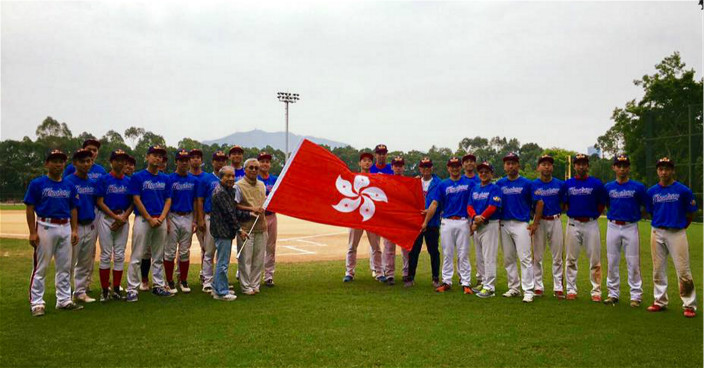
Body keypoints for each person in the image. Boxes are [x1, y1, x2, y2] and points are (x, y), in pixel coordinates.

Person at [24, 149, 82, 316]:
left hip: (65, 227)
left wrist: (75, 229)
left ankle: (63, 300)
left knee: (64, 266)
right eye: (54, 160)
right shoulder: (37, 183)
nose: (58, 164)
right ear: (47, 163)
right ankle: (37, 303)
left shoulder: (69, 185)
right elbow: (30, 207)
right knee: (41, 267)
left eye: (61, 161)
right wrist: (32, 232)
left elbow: (73, 209)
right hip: (45, 225)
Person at [646, 157, 698, 318]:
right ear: (657, 171)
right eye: (661, 168)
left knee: (683, 270)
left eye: (667, 168)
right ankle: (660, 301)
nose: (664, 171)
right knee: (658, 269)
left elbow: (690, 213)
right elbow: (651, 211)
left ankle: (689, 304)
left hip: (676, 232)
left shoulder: (683, 190)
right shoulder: (652, 191)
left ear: (673, 170)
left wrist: (680, 227)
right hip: (657, 231)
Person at [125, 145, 173, 302]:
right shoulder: (138, 177)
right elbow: (136, 199)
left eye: (160, 156)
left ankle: (158, 286)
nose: (157, 158)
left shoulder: (165, 178)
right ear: (147, 157)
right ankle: (132, 288)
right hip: (143, 220)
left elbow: (168, 200)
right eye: (154, 155)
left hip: (160, 219)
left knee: (158, 256)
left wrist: (162, 217)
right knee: (137, 255)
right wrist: (149, 218)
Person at [421, 157, 473, 294]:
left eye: (457, 166)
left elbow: (473, 203)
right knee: (447, 253)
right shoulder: (443, 184)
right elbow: (434, 203)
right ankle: (447, 281)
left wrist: (473, 221)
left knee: (463, 253)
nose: (454, 168)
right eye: (452, 166)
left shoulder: (468, 184)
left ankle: (466, 282)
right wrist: (426, 221)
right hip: (447, 221)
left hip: (463, 220)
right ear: (448, 168)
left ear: (460, 167)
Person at [603, 154, 647, 307]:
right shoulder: (608, 187)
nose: (622, 169)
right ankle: (612, 293)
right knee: (612, 260)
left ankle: (635, 295)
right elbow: (608, 204)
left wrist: (635, 216)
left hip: (630, 226)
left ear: (628, 168)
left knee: (633, 261)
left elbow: (645, 206)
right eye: (619, 165)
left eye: (625, 166)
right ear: (614, 167)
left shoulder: (638, 187)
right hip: (613, 225)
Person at [564, 153, 607, 302]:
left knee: (595, 260)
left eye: (584, 163)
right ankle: (571, 289)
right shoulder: (568, 184)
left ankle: (596, 291)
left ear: (588, 165)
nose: (581, 166)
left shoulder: (596, 183)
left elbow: (602, 203)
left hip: (590, 223)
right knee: (571, 259)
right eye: (578, 163)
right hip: (573, 222)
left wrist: (594, 214)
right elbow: (565, 203)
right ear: (574, 166)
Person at [496, 152, 536, 303]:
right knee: (508, 258)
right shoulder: (500, 184)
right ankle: (514, 287)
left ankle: (528, 290)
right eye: (508, 163)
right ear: (504, 166)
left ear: (518, 165)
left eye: (513, 163)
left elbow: (537, 202)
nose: (510, 166)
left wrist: (535, 222)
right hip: (504, 223)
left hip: (521, 224)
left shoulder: (526, 183)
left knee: (525, 258)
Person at [96, 149, 133, 301]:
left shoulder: (128, 181)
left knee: (119, 255)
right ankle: (105, 290)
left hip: (123, 218)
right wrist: (115, 218)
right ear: (111, 162)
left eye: (122, 160)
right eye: (117, 159)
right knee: (105, 255)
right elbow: (99, 202)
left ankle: (116, 289)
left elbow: (133, 202)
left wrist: (123, 217)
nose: (120, 162)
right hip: (107, 218)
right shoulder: (103, 179)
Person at [65, 148, 100, 303]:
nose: (86, 164)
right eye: (82, 161)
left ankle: (80, 292)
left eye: (89, 161)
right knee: (69, 262)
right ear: (75, 163)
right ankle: (65, 295)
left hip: (90, 224)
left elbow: (95, 204)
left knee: (85, 262)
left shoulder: (92, 183)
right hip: (75, 226)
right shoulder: (68, 182)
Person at [344, 152, 384, 283]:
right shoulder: (354, 177)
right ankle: (349, 272)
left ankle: (379, 272)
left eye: (369, 161)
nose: (366, 162)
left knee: (376, 247)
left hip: (372, 216)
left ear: (371, 164)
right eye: (364, 160)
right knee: (352, 246)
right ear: (359, 163)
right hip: (356, 217)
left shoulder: (375, 178)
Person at [210, 166, 249, 301]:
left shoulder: (229, 191)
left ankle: (217, 286)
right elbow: (229, 214)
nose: (231, 179)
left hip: (225, 231)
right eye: (227, 176)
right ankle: (221, 292)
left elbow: (233, 210)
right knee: (222, 262)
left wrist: (249, 213)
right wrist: (239, 230)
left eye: (232, 176)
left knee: (222, 261)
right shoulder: (220, 192)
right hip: (222, 232)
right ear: (221, 177)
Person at [530, 154, 566, 299]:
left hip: (555, 219)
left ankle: (558, 287)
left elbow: (564, 204)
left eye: (549, 164)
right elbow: (531, 204)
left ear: (552, 167)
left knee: (557, 256)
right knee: (537, 256)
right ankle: (538, 286)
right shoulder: (533, 184)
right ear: (538, 167)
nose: (546, 166)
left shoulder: (560, 184)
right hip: (539, 222)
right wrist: (535, 220)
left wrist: (556, 213)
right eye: (543, 164)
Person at [164, 149, 199, 294]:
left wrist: (195, 220)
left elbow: (196, 201)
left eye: (186, 160)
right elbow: (166, 201)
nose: (184, 162)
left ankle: (183, 280)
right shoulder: (169, 179)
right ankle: (169, 281)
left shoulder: (194, 180)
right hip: (173, 215)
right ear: (176, 162)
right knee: (170, 252)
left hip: (188, 216)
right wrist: (166, 220)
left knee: (185, 251)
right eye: (181, 160)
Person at [467, 161, 502, 298]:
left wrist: (479, 219)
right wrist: (475, 217)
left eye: (486, 171)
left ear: (491, 173)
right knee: (479, 256)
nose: (483, 174)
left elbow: (493, 206)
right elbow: (469, 205)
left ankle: (490, 287)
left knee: (489, 257)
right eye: (481, 171)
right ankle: (482, 281)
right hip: (478, 224)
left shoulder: (495, 188)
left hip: (489, 224)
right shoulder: (475, 188)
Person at [406, 157, 442, 288]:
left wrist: (431, 210)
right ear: (420, 168)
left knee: (433, 251)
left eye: (428, 167)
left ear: (432, 168)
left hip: (432, 222)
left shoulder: (439, 183)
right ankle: (410, 277)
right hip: (416, 222)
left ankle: (435, 278)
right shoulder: (415, 182)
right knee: (414, 251)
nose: (426, 169)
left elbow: (441, 201)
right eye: (423, 167)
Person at [197, 150, 229, 292]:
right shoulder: (206, 179)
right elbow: (200, 200)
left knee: (222, 252)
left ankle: (220, 280)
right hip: (210, 216)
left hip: (224, 219)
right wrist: (200, 219)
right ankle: (207, 280)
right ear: (213, 162)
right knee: (209, 250)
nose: (220, 162)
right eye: (218, 160)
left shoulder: (229, 179)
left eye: (223, 160)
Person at [236, 158, 268, 295]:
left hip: (261, 226)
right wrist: (251, 208)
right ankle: (245, 286)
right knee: (245, 259)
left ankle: (255, 284)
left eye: (256, 168)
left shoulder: (262, 185)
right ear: (245, 169)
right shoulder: (238, 185)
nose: (254, 170)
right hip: (246, 227)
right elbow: (234, 205)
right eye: (251, 168)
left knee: (259, 259)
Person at [380, 156, 410, 286]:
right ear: (391, 167)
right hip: (391, 219)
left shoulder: (409, 182)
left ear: (404, 167)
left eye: (400, 165)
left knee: (406, 248)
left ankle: (406, 272)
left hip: (404, 219)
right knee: (389, 248)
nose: (398, 167)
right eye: (396, 165)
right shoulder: (387, 181)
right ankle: (390, 274)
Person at [257, 151, 279, 287]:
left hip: (272, 216)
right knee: (257, 247)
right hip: (259, 217)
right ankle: (252, 275)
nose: (265, 164)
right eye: (262, 161)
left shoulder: (275, 179)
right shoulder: (255, 180)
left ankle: (269, 275)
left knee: (270, 247)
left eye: (267, 161)